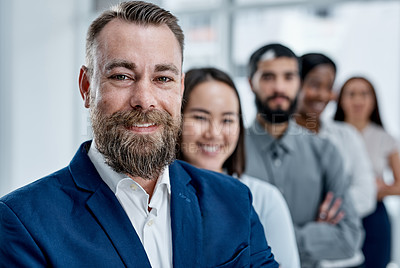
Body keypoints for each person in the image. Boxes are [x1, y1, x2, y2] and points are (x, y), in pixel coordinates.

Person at [0, 2, 278, 267]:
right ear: (87, 87)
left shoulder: (233, 200)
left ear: (180, 88)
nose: (145, 100)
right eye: (122, 76)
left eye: (163, 79)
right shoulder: (23, 222)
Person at [244, 43, 363, 267]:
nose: (280, 87)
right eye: (268, 77)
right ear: (251, 83)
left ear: (299, 83)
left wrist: (256, 237)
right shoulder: (229, 151)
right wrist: (315, 235)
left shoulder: (325, 152)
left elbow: (349, 239)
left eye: (288, 77)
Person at [178, 67, 301, 267]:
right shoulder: (155, 198)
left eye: (227, 120)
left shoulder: (265, 199)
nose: (214, 134)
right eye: (200, 117)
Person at [295, 53, 376, 267]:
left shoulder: (346, 135)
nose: (322, 95)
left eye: (329, 87)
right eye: (314, 85)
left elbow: (366, 194)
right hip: (296, 257)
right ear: (296, 83)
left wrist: (324, 212)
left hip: (344, 259)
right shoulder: (280, 140)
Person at [334, 76, 400, 268]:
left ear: (373, 100)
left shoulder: (384, 138)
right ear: (341, 100)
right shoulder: (329, 133)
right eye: (351, 94)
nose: (358, 100)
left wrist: (377, 190)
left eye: (364, 94)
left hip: (374, 216)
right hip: (338, 213)